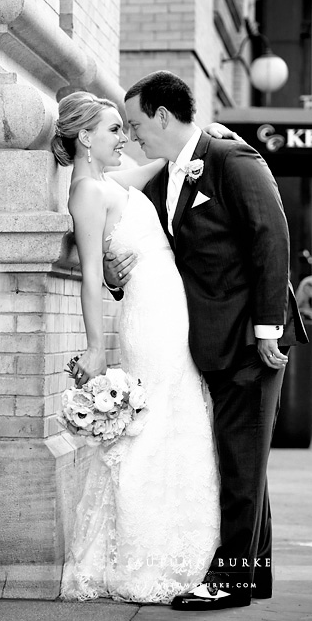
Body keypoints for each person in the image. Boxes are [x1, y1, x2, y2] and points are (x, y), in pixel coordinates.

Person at [104, 71, 308, 611]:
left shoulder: (231, 160)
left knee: (241, 466)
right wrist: (116, 269)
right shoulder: (168, 176)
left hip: (248, 337)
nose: (132, 134)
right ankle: (251, 576)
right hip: (209, 339)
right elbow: (147, 243)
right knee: (246, 465)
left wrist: (268, 328)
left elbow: (272, 236)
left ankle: (230, 580)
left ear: (164, 116)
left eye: (136, 122)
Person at [51, 91, 238, 604]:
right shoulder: (86, 193)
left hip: (170, 306)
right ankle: (145, 555)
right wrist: (94, 348)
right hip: (150, 317)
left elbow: (160, 164)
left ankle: (185, 547)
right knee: (154, 425)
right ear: (85, 137)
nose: (124, 137)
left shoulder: (109, 181)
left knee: (179, 418)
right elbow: (92, 277)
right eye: (114, 129)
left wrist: (208, 137)